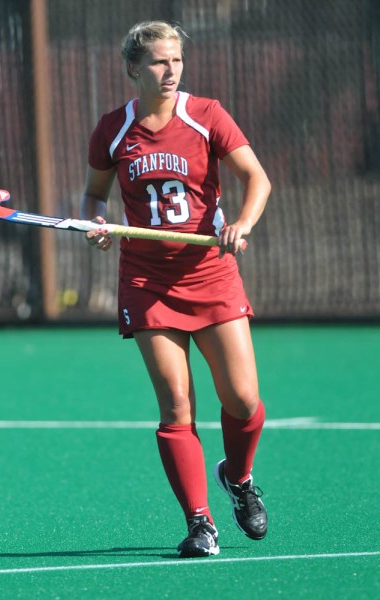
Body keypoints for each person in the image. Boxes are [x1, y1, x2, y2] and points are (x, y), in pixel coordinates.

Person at [81, 21, 271, 558]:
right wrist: (95, 224)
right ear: (133, 69)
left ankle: (238, 478)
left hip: (209, 272)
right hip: (147, 280)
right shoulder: (113, 129)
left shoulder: (206, 114)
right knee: (176, 404)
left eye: (177, 61)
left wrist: (244, 225)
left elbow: (256, 179)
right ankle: (200, 523)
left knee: (242, 398)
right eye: (160, 63)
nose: (170, 72)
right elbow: (94, 196)